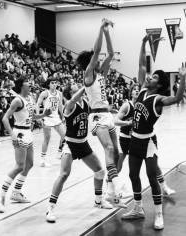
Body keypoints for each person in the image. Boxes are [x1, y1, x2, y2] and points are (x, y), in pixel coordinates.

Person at [121, 34, 186, 230]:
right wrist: (143, 44)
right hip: (134, 139)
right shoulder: (142, 90)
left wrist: (183, 78)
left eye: (155, 77)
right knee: (133, 175)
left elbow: (176, 98)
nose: (150, 77)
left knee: (152, 176)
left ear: (158, 84)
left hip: (148, 142)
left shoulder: (158, 99)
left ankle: (159, 214)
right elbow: (142, 66)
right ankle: (137, 208)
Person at [76, 19, 126, 208]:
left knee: (116, 153)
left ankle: (110, 192)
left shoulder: (102, 73)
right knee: (109, 149)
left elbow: (111, 53)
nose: (98, 60)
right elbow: (97, 51)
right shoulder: (88, 74)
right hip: (96, 117)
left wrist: (107, 32)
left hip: (108, 116)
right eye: (94, 59)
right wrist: (99, 28)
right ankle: (117, 185)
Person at [46, 84, 112, 223]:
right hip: (70, 144)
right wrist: (86, 86)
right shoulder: (69, 106)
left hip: (83, 143)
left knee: (100, 171)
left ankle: (98, 201)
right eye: (74, 86)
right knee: (64, 174)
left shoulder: (86, 102)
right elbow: (72, 100)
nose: (76, 84)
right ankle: (50, 208)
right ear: (71, 92)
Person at [0, 77, 51, 213]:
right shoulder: (17, 100)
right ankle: (1, 195)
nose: (30, 84)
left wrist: (43, 114)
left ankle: (16, 192)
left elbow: (32, 117)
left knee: (30, 164)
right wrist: (12, 135)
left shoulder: (30, 99)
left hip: (28, 133)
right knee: (19, 165)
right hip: (19, 133)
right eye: (27, 83)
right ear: (22, 86)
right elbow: (4, 118)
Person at [37, 77, 66, 167]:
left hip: (56, 118)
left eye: (55, 82)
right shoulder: (45, 93)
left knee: (64, 136)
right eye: (52, 83)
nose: (54, 84)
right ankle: (42, 160)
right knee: (47, 139)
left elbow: (60, 106)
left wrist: (63, 116)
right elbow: (38, 104)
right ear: (49, 84)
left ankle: (59, 152)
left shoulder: (59, 93)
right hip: (47, 118)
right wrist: (38, 116)